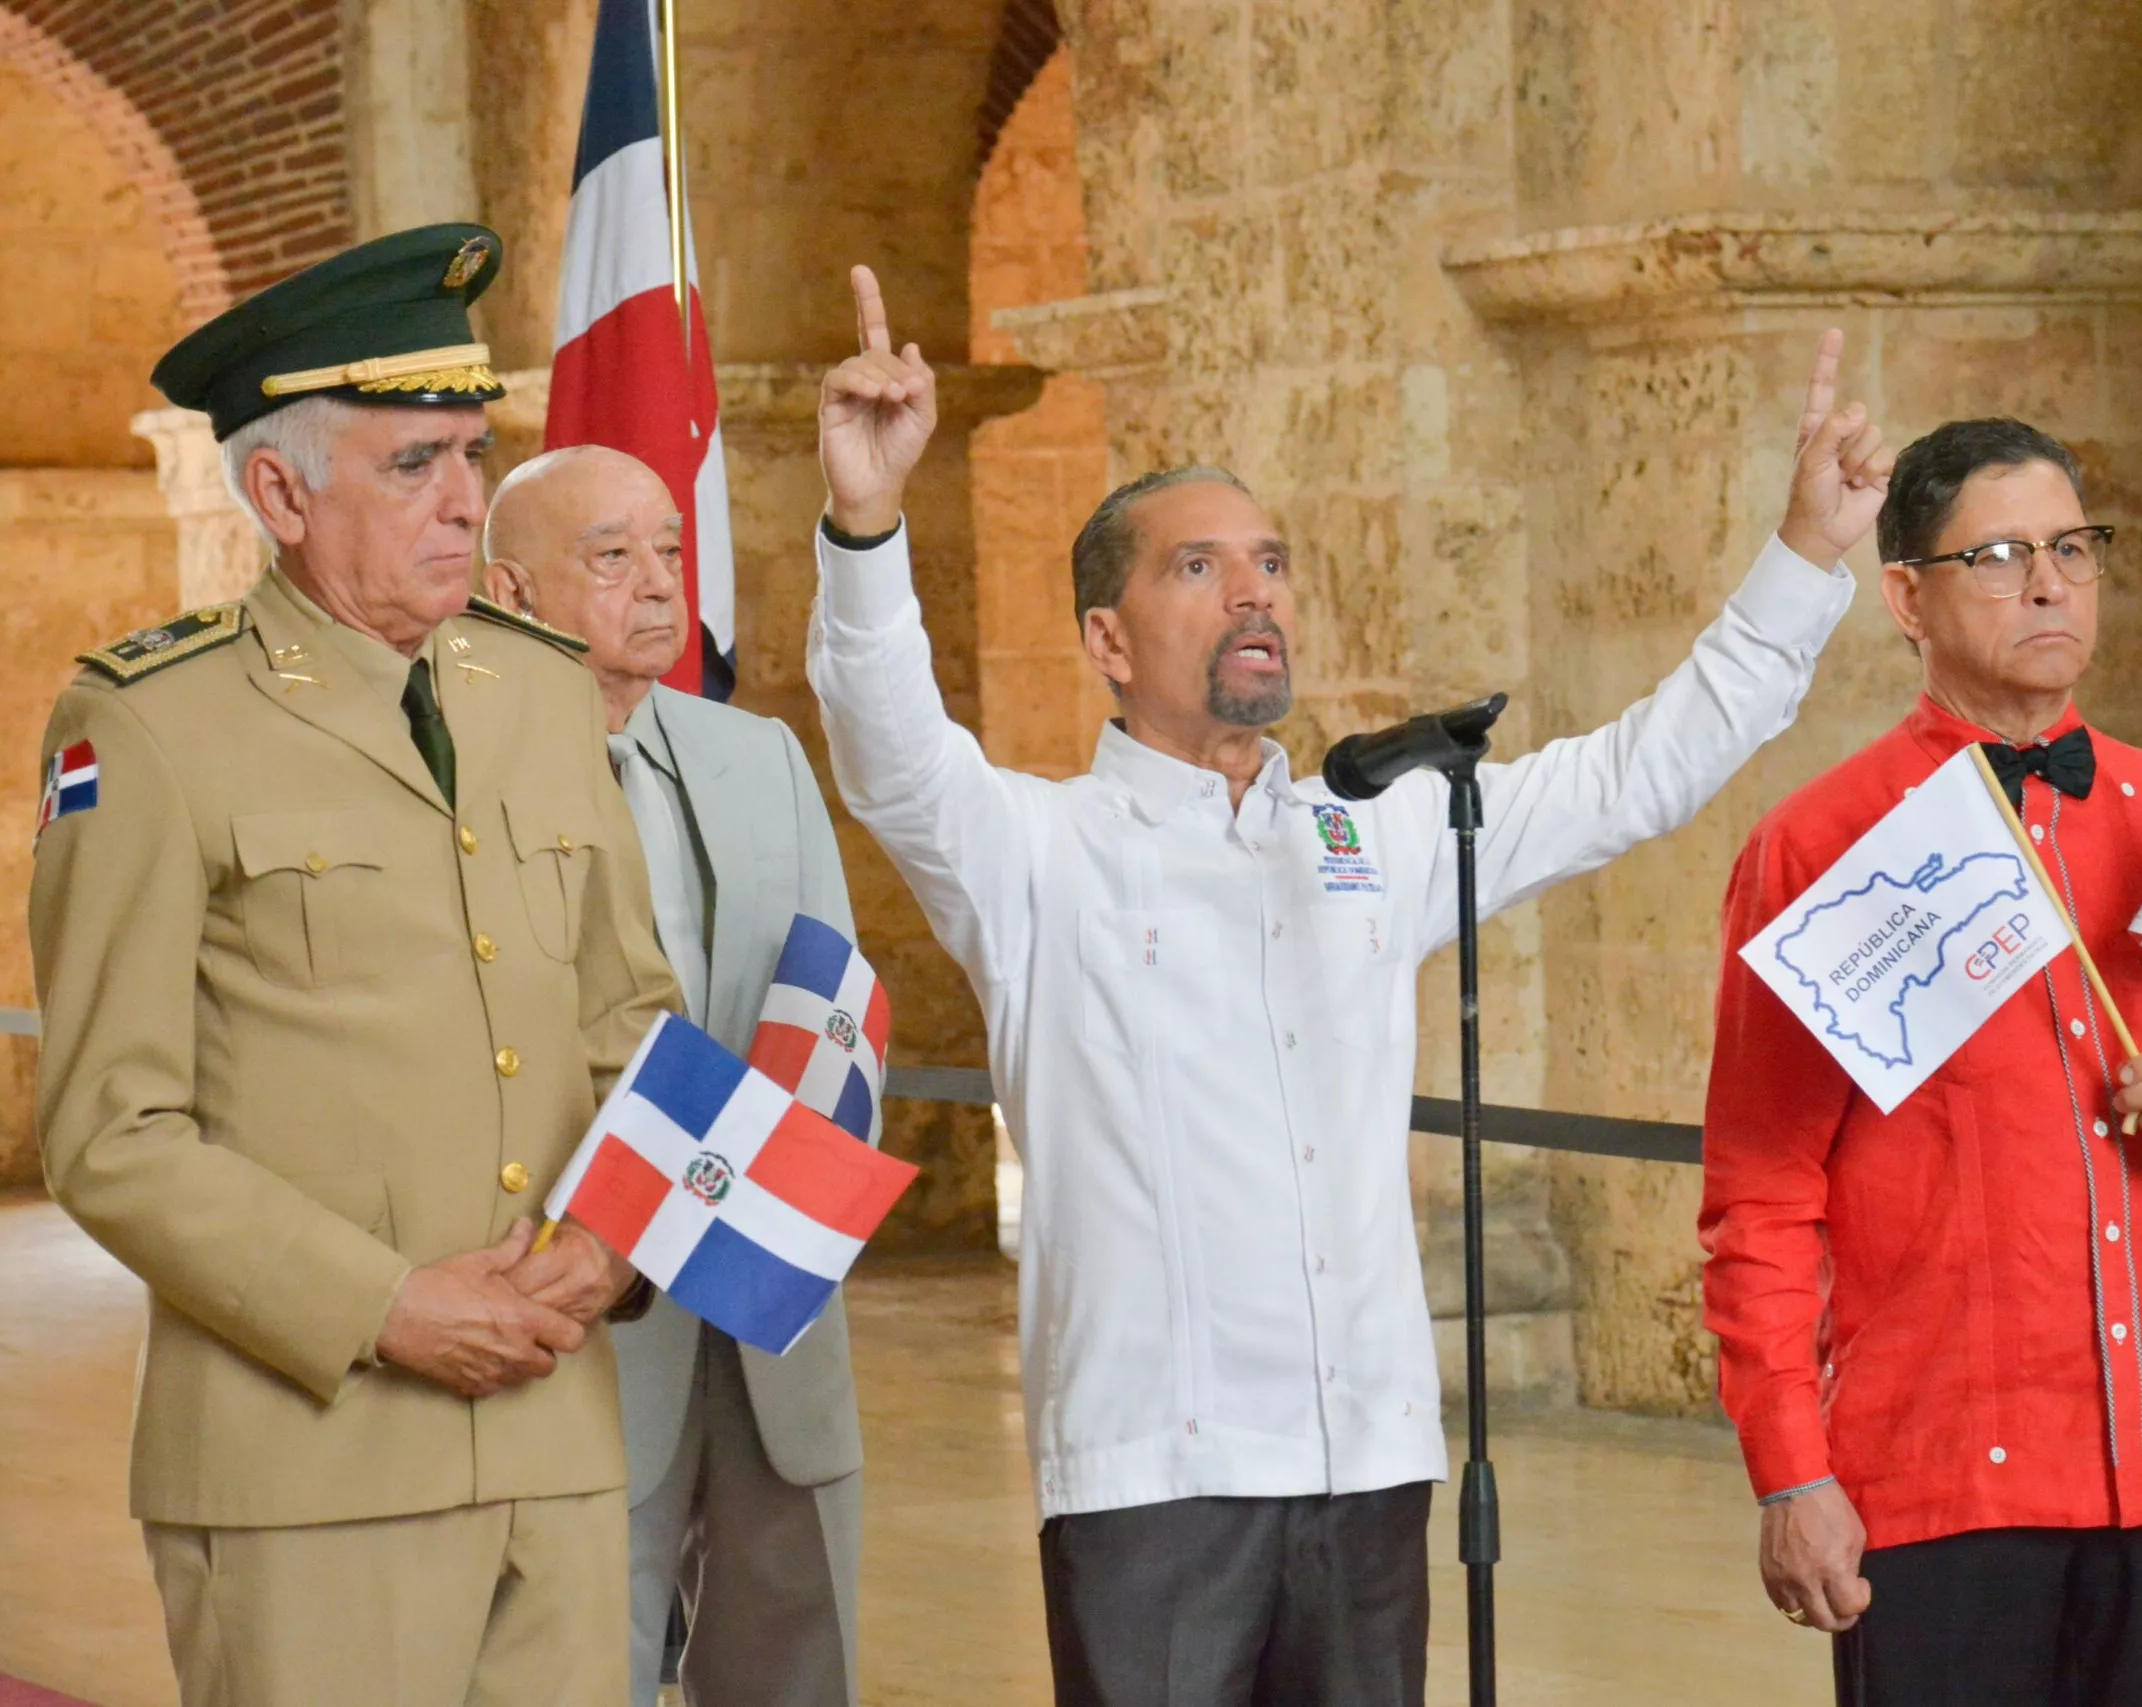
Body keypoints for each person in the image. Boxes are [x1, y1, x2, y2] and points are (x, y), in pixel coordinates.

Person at [808, 265, 1894, 1706]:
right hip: (1159, 1471)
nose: (1253, 590)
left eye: (1271, 560)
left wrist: (1807, 558)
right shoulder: (1036, 847)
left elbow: (1638, 771)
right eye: (1197, 566)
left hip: (1371, 1459)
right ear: (1107, 640)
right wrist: (867, 520)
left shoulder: (1371, 829)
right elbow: (887, 741)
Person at [27, 224, 681, 1707]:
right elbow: (111, 1132)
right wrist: (385, 1305)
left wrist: (616, 1239)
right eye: (412, 465)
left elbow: (633, 1022)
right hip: (305, 1462)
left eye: (472, 451)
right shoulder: (148, 724)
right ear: (278, 490)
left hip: (557, 1439)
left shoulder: (536, 692)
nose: (465, 501)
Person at [1699, 418, 2142, 1706]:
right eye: (1997, 556)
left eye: (2071, 548)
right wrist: (1791, 1471)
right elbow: (1762, 1197)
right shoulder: (1822, 850)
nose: (2049, 584)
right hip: (1940, 1486)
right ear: (1905, 598)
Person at [483, 444, 868, 1707]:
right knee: (590, 1656)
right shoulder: (461, 778)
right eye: (611, 559)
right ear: (508, 589)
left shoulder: (757, 754)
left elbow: (831, 997)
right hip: (583, 1313)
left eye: (667, 551)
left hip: (766, 1299)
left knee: (799, 1654)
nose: (657, 586)